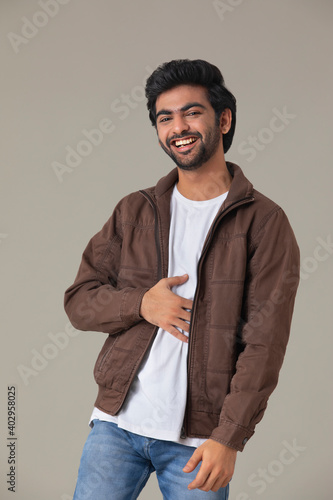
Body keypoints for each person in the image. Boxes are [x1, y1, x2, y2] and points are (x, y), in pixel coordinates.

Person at [64, 59, 300, 499]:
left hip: (198, 442)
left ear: (223, 119)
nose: (178, 127)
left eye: (192, 112)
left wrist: (229, 436)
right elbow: (79, 300)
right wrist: (140, 304)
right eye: (165, 117)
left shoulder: (265, 223)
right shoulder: (134, 211)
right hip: (116, 426)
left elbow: (264, 344)